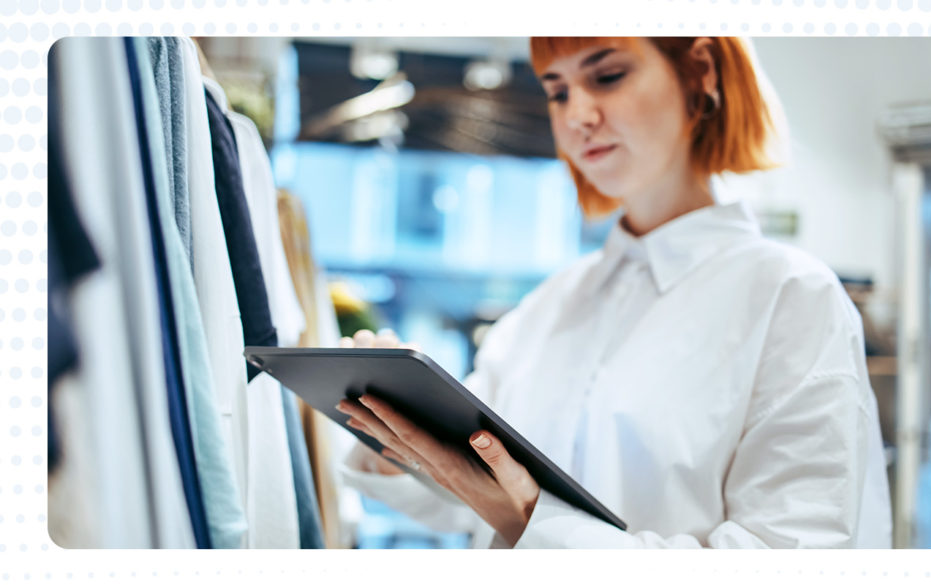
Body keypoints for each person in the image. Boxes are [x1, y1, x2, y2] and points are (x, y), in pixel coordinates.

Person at [335, 36, 893, 549]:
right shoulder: (549, 306)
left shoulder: (792, 297)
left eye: (607, 77)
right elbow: (460, 501)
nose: (577, 115)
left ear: (699, 72)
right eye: (557, 92)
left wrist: (533, 521)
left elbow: (792, 554)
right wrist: (397, 435)